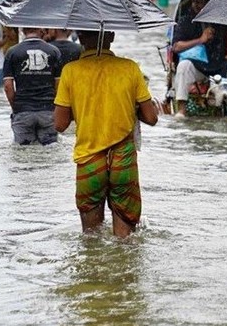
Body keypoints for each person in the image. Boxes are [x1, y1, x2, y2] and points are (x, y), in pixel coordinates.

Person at [54, 30, 158, 238]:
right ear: (111, 36)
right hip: (123, 159)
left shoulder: (70, 71)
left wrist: (82, 107)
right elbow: (151, 118)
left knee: (91, 239)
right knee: (125, 241)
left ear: (80, 37)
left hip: (89, 161)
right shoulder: (129, 68)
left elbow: (59, 124)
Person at [171, 0, 227, 117]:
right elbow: (176, 47)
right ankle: (181, 110)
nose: (196, 5)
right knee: (183, 66)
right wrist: (200, 40)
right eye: (194, 2)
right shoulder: (186, 21)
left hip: (219, 63)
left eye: (200, 3)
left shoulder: (222, 19)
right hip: (196, 65)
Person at [3, 28, 63, 145]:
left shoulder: (12, 52)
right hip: (48, 110)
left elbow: (8, 86)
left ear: (22, 31)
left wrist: (16, 107)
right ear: (42, 31)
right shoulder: (54, 51)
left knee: (23, 153)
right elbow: (59, 85)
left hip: (23, 111)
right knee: (50, 151)